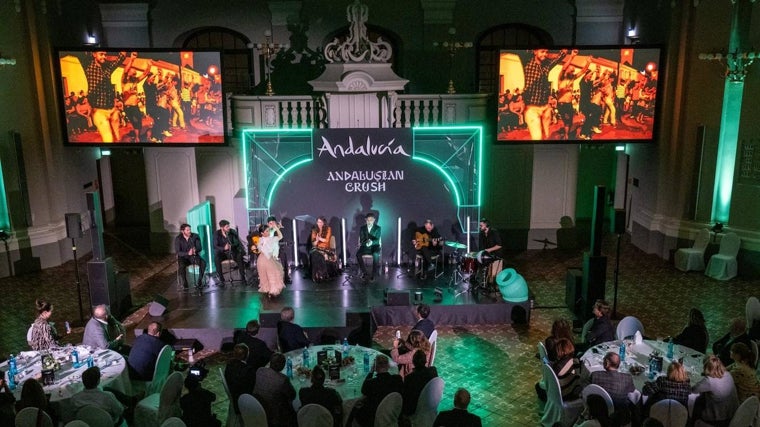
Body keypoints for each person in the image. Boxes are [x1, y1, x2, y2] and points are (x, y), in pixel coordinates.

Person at [522, 49, 569, 140]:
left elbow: (558, 59)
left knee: (546, 136)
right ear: (535, 52)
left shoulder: (546, 66)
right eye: (542, 51)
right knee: (537, 137)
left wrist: (566, 51)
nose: (545, 54)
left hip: (545, 107)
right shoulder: (527, 63)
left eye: (547, 52)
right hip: (532, 107)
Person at [350, 354, 403, 427]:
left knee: (353, 408)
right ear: (388, 366)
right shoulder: (398, 379)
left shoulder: (371, 383)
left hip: (373, 417)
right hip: (392, 413)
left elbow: (363, 390)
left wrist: (371, 372)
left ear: (376, 367)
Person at [85, 51, 127, 142]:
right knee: (108, 139)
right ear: (94, 54)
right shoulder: (88, 66)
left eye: (105, 54)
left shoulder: (107, 68)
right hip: (99, 110)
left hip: (112, 109)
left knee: (117, 138)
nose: (104, 57)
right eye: (101, 54)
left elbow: (119, 60)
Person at [691, 355, 739, 426]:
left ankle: (691, 422)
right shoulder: (728, 374)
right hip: (733, 416)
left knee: (696, 400)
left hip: (718, 420)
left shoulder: (709, 381)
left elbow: (694, 389)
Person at [253, 353, 297, 427]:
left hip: (256, 407)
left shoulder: (260, 370)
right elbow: (293, 395)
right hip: (275, 415)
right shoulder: (282, 379)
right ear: (282, 366)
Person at [590, 352, 635, 417]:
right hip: (618, 413)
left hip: (599, 409)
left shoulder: (595, 375)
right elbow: (632, 391)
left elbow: (589, 390)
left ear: (607, 363)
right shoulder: (627, 378)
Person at [401, 350, 439, 416]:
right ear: (425, 361)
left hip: (415, 410)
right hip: (429, 406)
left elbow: (406, 397)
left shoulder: (409, 378)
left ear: (413, 362)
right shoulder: (433, 371)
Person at [224, 344, 257, 415]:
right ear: (245, 355)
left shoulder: (229, 365)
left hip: (235, 396)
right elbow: (252, 388)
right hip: (244, 402)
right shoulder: (249, 371)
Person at [213, 219, 247, 286]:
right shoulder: (217, 233)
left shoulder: (232, 232)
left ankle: (243, 278)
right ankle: (222, 280)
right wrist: (223, 248)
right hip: (222, 253)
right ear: (222, 228)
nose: (228, 228)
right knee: (217, 258)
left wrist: (230, 246)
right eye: (227, 227)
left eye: (228, 226)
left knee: (239, 256)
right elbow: (215, 246)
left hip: (232, 251)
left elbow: (237, 242)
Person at [256, 223, 285, 297]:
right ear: (262, 233)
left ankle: (272, 291)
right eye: (266, 231)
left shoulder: (272, 238)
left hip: (268, 258)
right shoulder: (260, 239)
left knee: (274, 274)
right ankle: (268, 291)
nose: (268, 232)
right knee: (265, 276)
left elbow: (280, 236)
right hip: (263, 259)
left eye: (268, 230)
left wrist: (276, 227)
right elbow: (260, 249)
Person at [175, 223, 207, 290]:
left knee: (203, 263)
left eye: (190, 229)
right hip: (183, 257)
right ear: (182, 231)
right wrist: (187, 253)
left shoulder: (195, 236)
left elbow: (200, 247)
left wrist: (195, 249)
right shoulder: (178, 238)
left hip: (193, 256)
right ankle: (185, 283)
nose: (189, 231)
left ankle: (199, 281)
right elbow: (178, 252)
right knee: (181, 266)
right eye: (187, 230)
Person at [356, 212, 381, 282]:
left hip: (374, 246)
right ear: (365, 220)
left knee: (376, 254)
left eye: (371, 220)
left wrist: (371, 242)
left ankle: (373, 274)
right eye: (368, 220)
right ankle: (364, 272)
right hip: (365, 246)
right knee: (358, 254)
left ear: (374, 220)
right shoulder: (362, 228)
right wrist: (366, 243)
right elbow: (361, 239)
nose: (369, 222)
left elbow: (377, 239)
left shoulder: (378, 228)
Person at [309, 216, 334, 282]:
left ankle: (316, 275)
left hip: (325, 249)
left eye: (320, 222)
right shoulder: (314, 230)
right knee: (315, 254)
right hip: (317, 248)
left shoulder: (328, 229)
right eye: (318, 222)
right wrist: (316, 240)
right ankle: (321, 274)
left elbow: (327, 240)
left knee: (316, 255)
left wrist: (319, 238)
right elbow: (313, 244)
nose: (319, 224)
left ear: (323, 223)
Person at [267, 216, 291, 284]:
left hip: (278, 249)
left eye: (273, 223)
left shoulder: (279, 230)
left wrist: (277, 228)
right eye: (270, 223)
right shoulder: (266, 231)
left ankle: (284, 277)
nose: (272, 225)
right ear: (268, 224)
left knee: (282, 255)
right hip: (268, 250)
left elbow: (282, 239)